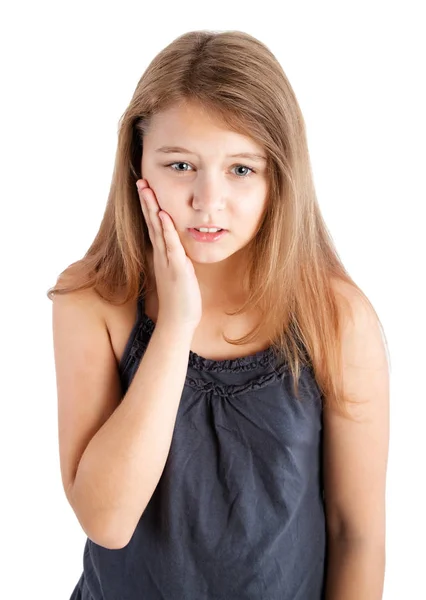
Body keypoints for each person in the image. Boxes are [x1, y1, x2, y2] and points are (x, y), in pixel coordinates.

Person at [48, 29, 390, 600]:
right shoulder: (92, 301)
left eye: (240, 169)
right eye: (180, 165)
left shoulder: (336, 318)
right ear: (137, 164)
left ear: (279, 177)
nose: (208, 201)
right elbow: (106, 520)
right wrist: (176, 322)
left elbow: (357, 535)